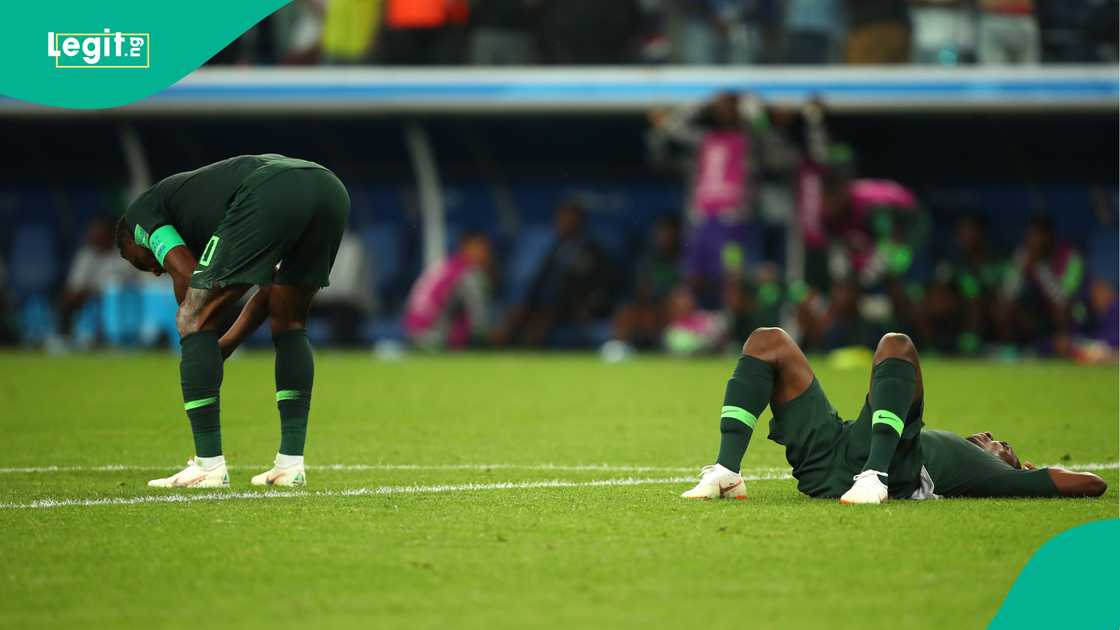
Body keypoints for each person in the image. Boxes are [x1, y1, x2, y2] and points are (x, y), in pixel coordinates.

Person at [116, 154, 350, 488]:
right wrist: (225, 344)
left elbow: (185, 273)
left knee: (190, 316)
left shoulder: (140, 216)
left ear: (132, 242)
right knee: (290, 320)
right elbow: (270, 290)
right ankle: (289, 466)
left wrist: (197, 334)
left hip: (272, 187)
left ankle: (208, 466)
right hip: (328, 186)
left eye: (141, 264)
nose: (153, 269)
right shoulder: (210, 216)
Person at [681, 327, 1107, 502]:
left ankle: (875, 478)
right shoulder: (950, 445)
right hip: (833, 454)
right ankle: (726, 471)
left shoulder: (989, 474)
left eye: (1003, 446)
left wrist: (1031, 473)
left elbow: (1093, 483)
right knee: (767, 340)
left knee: (896, 344)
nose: (990, 435)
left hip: (890, 467)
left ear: (1009, 464)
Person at [493, 200, 614, 347]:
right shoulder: (555, 249)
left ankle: (528, 350)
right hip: (544, 304)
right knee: (516, 313)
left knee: (546, 315)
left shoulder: (593, 251)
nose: (563, 224)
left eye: (568, 220)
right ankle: (495, 350)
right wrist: (526, 303)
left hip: (572, 307)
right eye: (561, 219)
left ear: (579, 222)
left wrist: (589, 305)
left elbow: (603, 284)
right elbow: (541, 280)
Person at [56, 216, 139, 345]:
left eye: (99, 232)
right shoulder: (85, 255)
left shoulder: (124, 255)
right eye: (93, 232)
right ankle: (64, 339)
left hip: (117, 301)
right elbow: (74, 287)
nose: (94, 235)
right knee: (66, 300)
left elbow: (132, 284)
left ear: (110, 234)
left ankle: (114, 339)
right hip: (88, 299)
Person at [404, 233, 493, 350]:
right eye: (478, 249)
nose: (483, 254)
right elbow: (479, 322)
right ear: (465, 249)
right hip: (435, 338)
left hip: (411, 332)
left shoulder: (446, 266)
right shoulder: (469, 274)